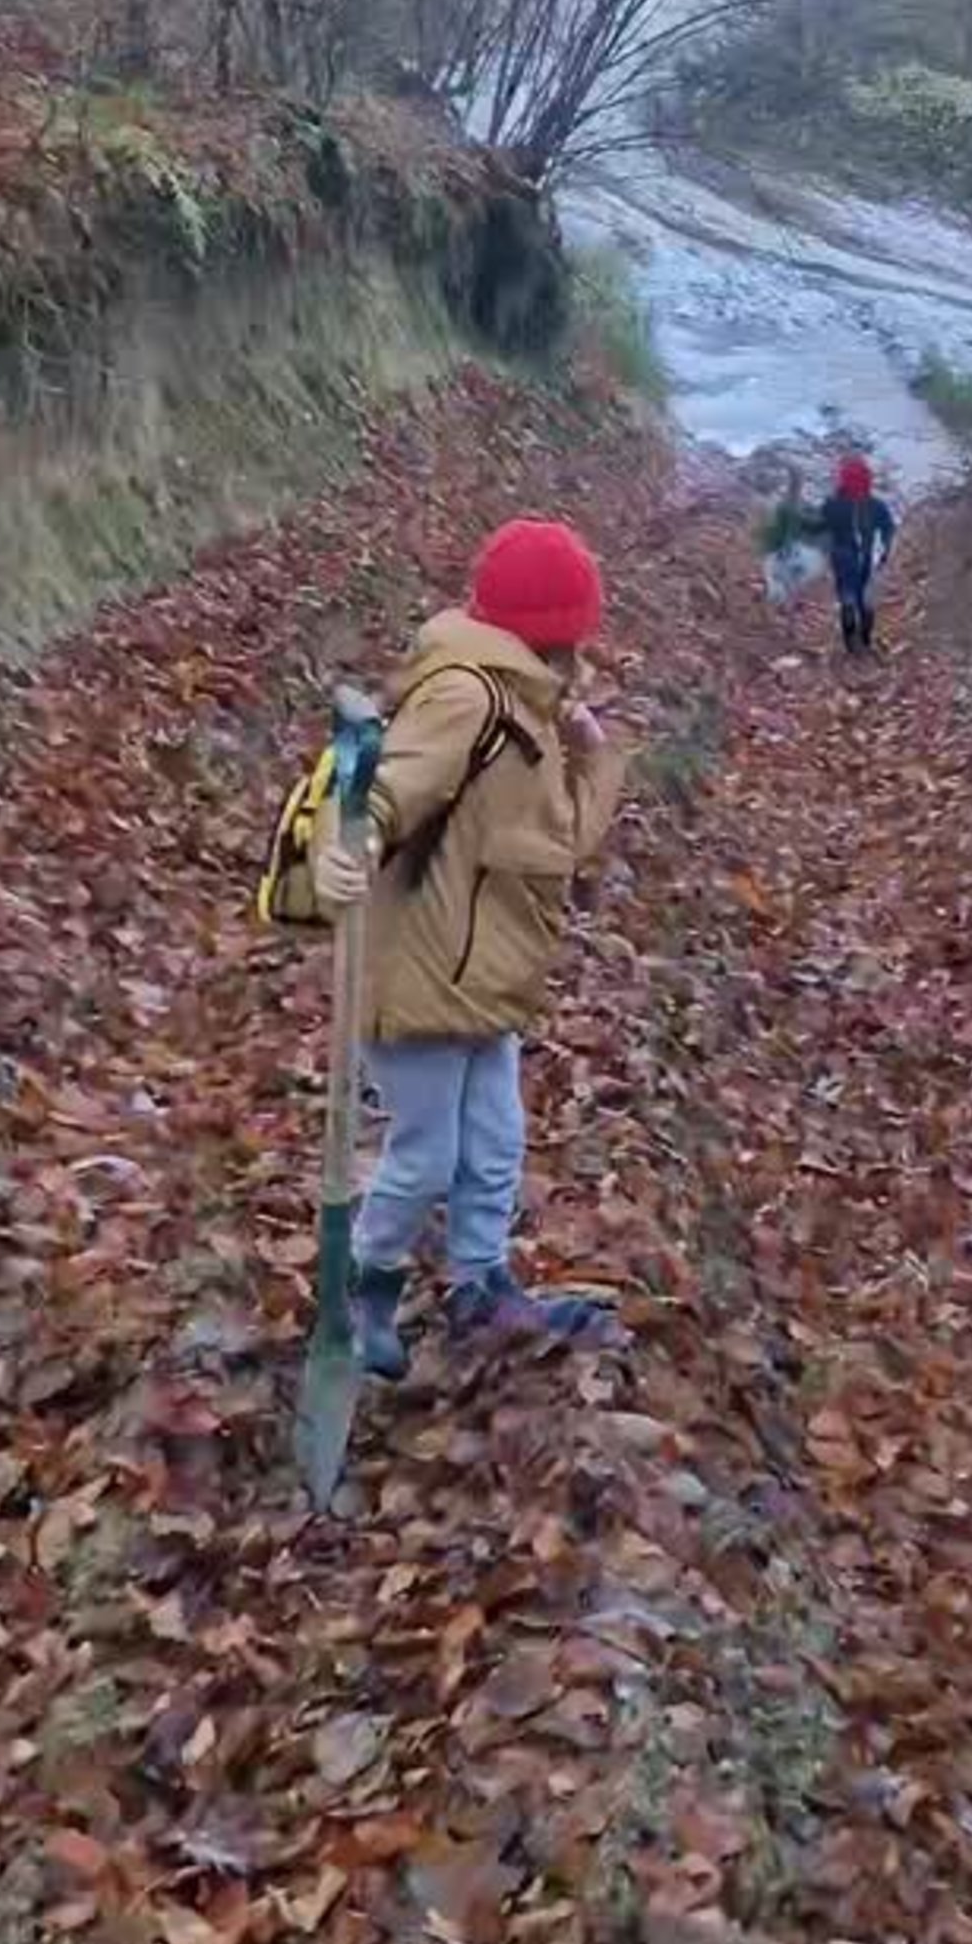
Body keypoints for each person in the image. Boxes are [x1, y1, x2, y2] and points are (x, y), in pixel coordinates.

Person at [311, 516, 628, 1380]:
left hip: (482, 981)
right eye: (574, 633)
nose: (582, 653)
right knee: (426, 1153)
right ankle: (364, 1288)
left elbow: (554, 849)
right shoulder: (468, 697)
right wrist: (353, 839)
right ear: (546, 632)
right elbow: (389, 785)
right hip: (420, 978)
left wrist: (597, 760)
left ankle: (479, 1286)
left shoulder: (528, 710)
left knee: (495, 1142)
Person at [815, 452, 897, 654]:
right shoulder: (876, 505)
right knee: (866, 599)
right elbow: (889, 528)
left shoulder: (832, 503)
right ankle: (866, 640)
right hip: (868, 555)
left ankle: (850, 644)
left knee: (847, 596)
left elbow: (819, 529)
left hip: (842, 554)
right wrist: (885, 550)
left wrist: (824, 551)